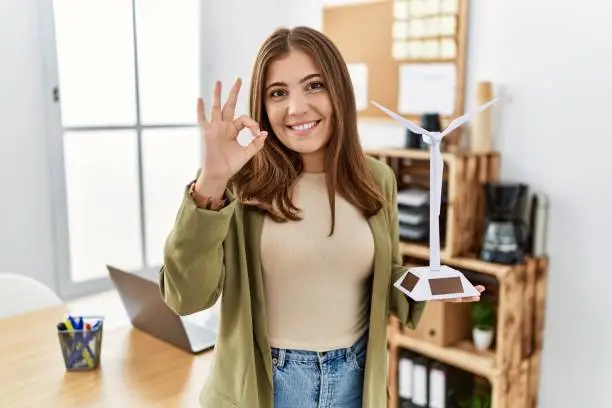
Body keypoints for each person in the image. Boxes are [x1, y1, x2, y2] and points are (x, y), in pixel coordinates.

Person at [159, 26, 483, 408]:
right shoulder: (238, 182)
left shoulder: (378, 179)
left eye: (314, 86)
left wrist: (431, 283)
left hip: (355, 382)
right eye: (278, 93)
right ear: (263, 106)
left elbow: (384, 275)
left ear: (339, 91)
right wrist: (211, 182)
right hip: (267, 386)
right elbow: (186, 297)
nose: (297, 108)